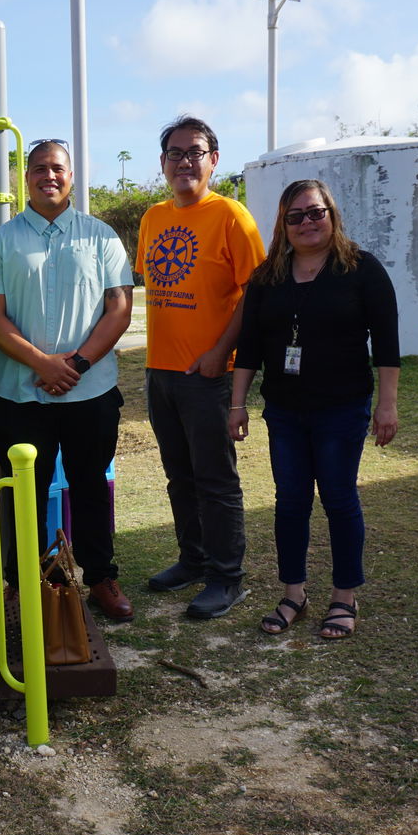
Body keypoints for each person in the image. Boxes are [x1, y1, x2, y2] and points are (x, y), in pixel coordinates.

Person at [231, 179, 400, 640]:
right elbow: (248, 347)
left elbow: (387, 343)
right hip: (284, 411)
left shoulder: (361, 269)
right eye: (296, 216)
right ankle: (294, 593)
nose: (307, 222)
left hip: (342, 409)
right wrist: (237, 403)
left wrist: (387, 405)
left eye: (316, 212)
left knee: (339, 499)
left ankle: (344, 597)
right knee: (290, 503)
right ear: (283, 225)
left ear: (332, 215)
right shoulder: (267, 278)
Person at [0, 139, 135, 621]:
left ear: (72, 177)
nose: (50, 175)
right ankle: (21, 582)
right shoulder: (1, 241)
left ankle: (100, 577)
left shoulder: (102, 236)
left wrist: (77, 365)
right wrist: (42, 364)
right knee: (21, 492)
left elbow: (119, 309)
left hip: (90, 391)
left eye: (58, 169)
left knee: (91, 486)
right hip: (18, 394)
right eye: (40, 168)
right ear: (26, 177)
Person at [137, 116, 266, 619]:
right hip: (160, 372)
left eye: (195, 152)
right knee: (178, 476)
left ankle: (226, 577)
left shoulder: (232, 216)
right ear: (163, 162)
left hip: (209, 375)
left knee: (215, 479)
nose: (184, 161)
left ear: (214, 160)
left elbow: (256, 293)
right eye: (175, 152)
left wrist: (218, 354)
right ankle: (192, 560)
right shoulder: (152, 218)